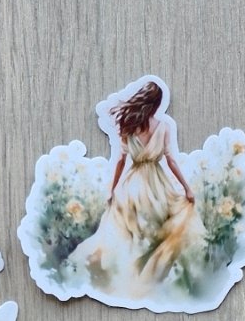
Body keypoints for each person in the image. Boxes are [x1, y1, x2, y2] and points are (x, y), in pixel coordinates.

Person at [73, 80, 201, 295]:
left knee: (130, 229)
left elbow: (121, 161)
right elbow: (170, 160)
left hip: (132, 184)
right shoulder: (163, 126)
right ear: (157, 104)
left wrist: (113, 189)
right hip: (157, 183)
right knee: (161, 225)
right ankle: (149, 276)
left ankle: (129, 274)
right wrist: (186, 188)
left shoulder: (129, 125)